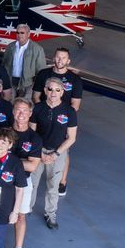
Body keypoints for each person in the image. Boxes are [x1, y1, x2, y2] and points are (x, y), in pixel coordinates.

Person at [29, 77, 77, 231]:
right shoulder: (37, 108)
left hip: (58, 153)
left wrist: (55, 154)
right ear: (45, 90)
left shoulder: (69, 111)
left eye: (57, 90)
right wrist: (39, 152)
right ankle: (26, 210)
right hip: (38, 152)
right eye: (50, 89)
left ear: (62, 92)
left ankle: (50, 214)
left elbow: (72, 138)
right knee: (32, 183)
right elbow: (31, 133)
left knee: (53, 186)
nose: (53, 93)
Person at [33, 47, 82, 197]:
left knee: (63, 151)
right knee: (37, 145)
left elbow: (75, 105)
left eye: (63, 58)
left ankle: (62, 181)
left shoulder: (75, 80)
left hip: (64, 120)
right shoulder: (43, 74)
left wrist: (64, 120)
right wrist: (43, 112)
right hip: (43, 116)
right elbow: (36, 97)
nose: (60, 60)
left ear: (68, 61)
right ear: (53, 58)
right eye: (58, 57)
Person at [8, 98, 43, 248]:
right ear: (13, 112)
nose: (21, 114)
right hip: (2, 180)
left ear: (30, 114)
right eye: (18, 110)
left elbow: (33, 165)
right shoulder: (4, 132)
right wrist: (21, 161)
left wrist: (9, 160)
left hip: (23, 181)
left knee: (21, 216)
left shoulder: (34, 138)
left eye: (25, 111)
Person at [2, 23, 46, 99]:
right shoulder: (10, 46)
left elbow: (41, 70)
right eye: (17, 33)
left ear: (28, 34)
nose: (19, 35)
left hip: (28, 84)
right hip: (11, 82)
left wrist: (35, 84)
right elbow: (4, 63)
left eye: (22, 33)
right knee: (9, 104)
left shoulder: (37, 49)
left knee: (25, 106)